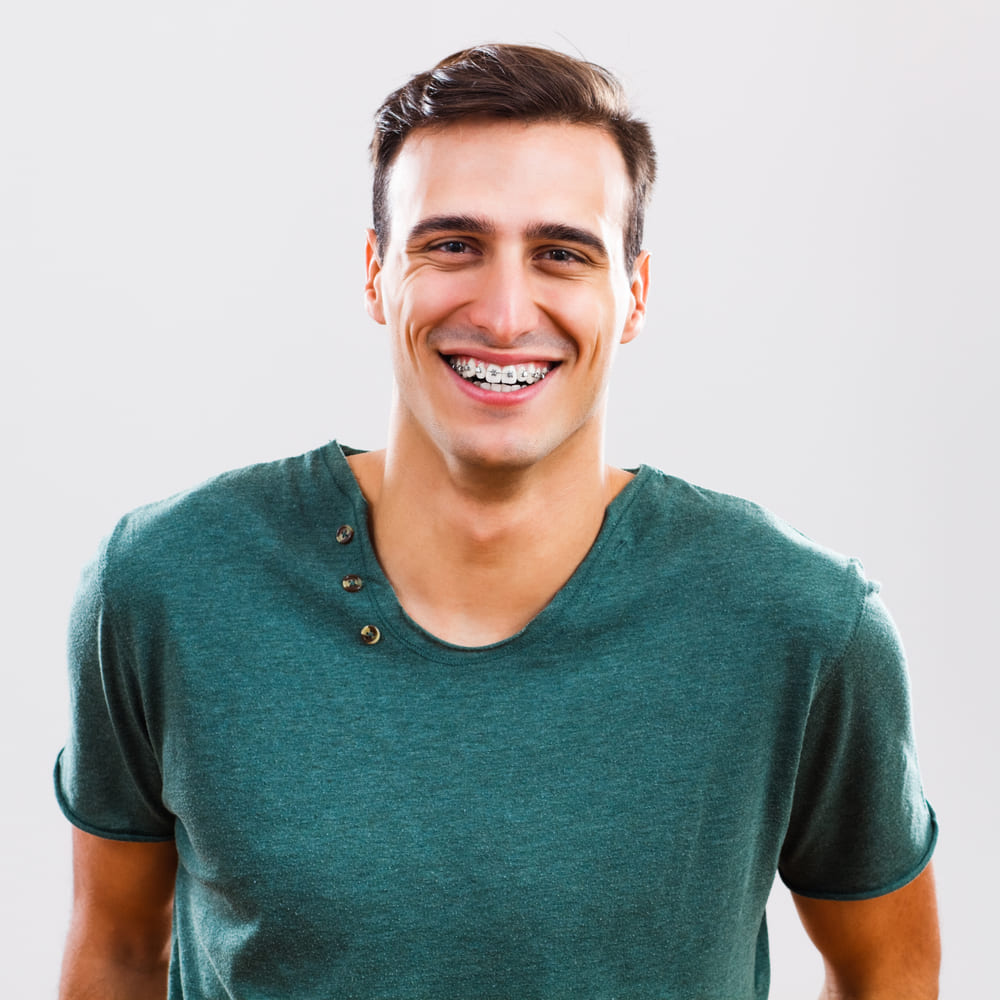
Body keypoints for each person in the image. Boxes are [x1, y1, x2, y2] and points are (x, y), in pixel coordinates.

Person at [55, 43, 939, 999]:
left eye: (561, 253)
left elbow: (888, 966)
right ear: (375, 275)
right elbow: (112, 949)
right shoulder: (167, 584)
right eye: (452, 245)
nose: (506, 312)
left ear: (633, 293)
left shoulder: (803, 623)